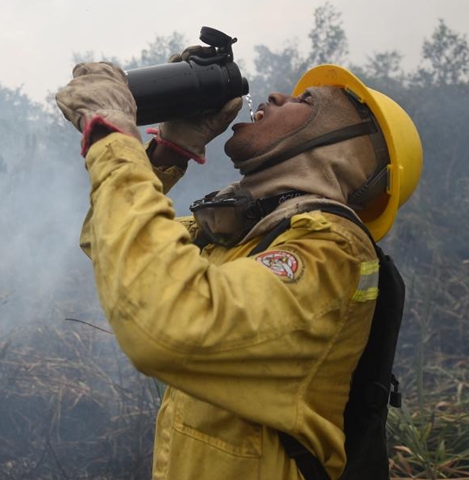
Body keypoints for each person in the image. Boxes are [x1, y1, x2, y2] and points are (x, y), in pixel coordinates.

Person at [55, 58, 422, 480]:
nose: (275, 96)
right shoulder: (249, 235)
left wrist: (113, 135)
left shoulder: (331, 251)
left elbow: (170, 325)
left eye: (305, 101)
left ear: (349, 148)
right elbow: (109, 242)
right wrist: (170, 150)